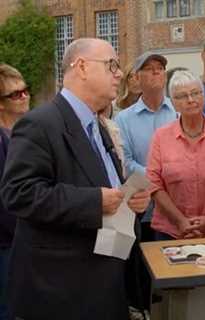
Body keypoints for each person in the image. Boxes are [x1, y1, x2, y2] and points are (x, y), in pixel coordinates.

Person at [0, 38, 150, 320]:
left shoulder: (97, 125)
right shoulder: (40, 124)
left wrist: (129, 201)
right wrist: (94, 201)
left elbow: (102, 185)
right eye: (111, 65)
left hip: (105, 280)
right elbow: (19, 193)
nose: (119, 74)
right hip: (61, 291)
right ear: (81, 67)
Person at [147, 70, 205, 240]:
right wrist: (180, 221)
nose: (190, 100)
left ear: (204, 97)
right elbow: (154, 184)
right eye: (182, 96)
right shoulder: (161, 137)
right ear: (173, 103)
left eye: (196, 93)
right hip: (170, 231)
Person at [115, 50, 177, 242]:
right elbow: (124, 161)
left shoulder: (178, 112)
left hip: (177, 210)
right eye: (149, 69)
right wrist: (156, 178)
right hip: (142, 210)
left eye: (160, 68)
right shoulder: (123, 119)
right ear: (136, 78)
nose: (156, 72)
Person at [0, 63, 30, 320]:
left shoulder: (23, 133)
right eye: (15, 94)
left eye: (25, 90)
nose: (24, 96)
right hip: (7, 244)